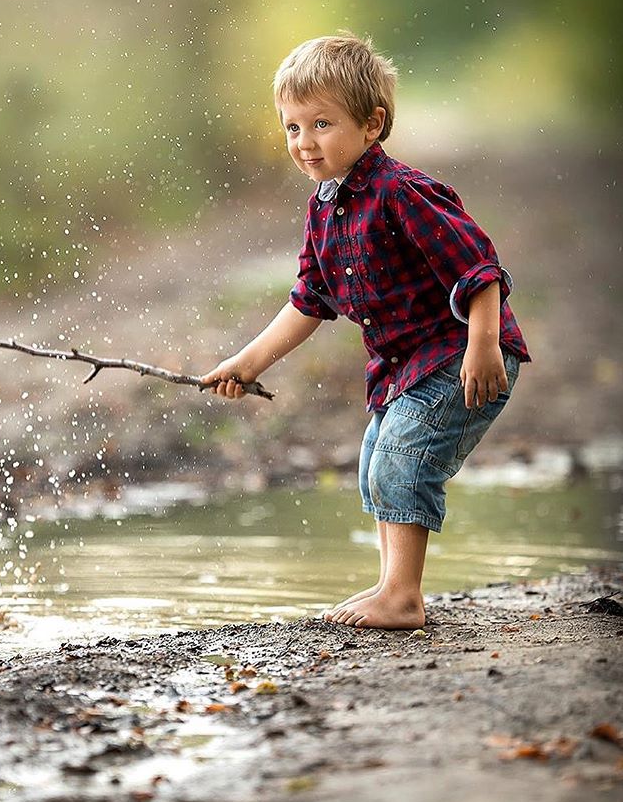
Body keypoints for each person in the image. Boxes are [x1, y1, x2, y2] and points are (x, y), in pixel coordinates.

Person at [200, 32, 530, 630]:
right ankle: (389, 585)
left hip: (460, 354)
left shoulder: (402, 193)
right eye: (292, 127)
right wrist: (247, 363)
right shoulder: (324, 207)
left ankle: (403, 597)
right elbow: (310, 299)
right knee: (376, 460)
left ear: (372, 124)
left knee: (404, 456)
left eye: (321, 124)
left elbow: (479, 269)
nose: (304, 142)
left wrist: (483, 347)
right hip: (404, 366)